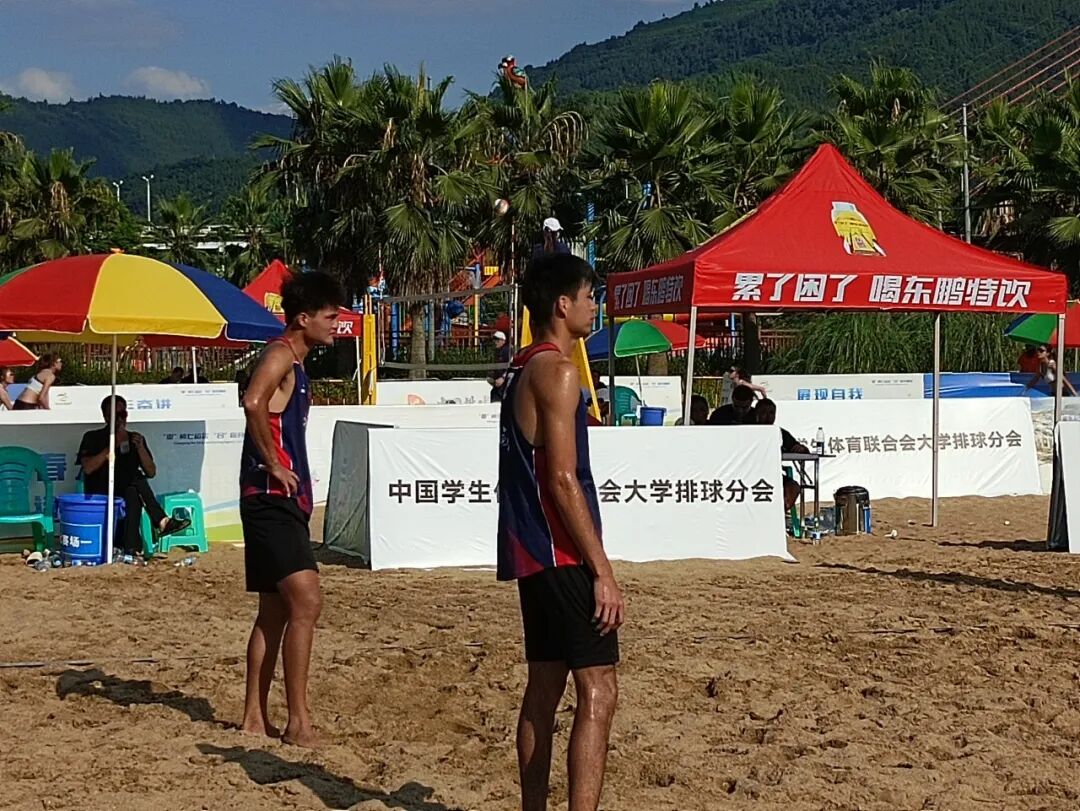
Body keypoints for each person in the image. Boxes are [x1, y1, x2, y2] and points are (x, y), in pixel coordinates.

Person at [498, 252, 624, 811]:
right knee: (599, 688)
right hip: (561, 550)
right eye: (589, 296)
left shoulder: (521, 368)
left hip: (531, 549)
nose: (595, 306)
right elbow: (563, 479)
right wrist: (603, 570)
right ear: (562, 304)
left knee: (545, 688)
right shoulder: (559, 371)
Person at [239, 270, 344, 748]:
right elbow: (253, 402)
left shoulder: (294, 361)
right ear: (304, 318)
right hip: (270, 499)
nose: (336, 324)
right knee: (306, 601)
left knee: (275, 610)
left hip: (276, 500)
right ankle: (298, 721)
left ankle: (253, 718)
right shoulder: (281, 354)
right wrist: (273, 463)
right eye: (330, 316)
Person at [77, 395, 190, 556]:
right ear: (106, 417)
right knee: (135, 478)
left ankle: (131, 549)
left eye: (123, 414)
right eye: (115, 415)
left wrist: (140, 448)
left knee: (133, 491)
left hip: (127, 488)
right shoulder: (92, 437)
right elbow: (88, 468)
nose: (120, 419)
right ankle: (161, 521)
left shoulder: (134, 438)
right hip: (100, 487)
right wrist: (110, 447)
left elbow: (151, 472)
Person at [754, 398, 807, 511]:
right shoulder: (746, 432)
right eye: (763, 412)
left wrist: (802, 449)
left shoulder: (781, 433)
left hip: (774, 475)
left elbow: (797, 447)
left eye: (771, 413)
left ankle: (778, 514)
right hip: (749, 476)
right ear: (756, 414)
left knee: (793, 487)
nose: (768, 416)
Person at [488, 330, 511, 402]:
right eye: (494, 340)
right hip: (497, 385)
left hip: (505, 385)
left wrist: (503, 378)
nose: (495, 342)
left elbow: (511, 366)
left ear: (503, 341)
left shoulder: (507, 351)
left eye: (497, 340)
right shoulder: (497, 352)